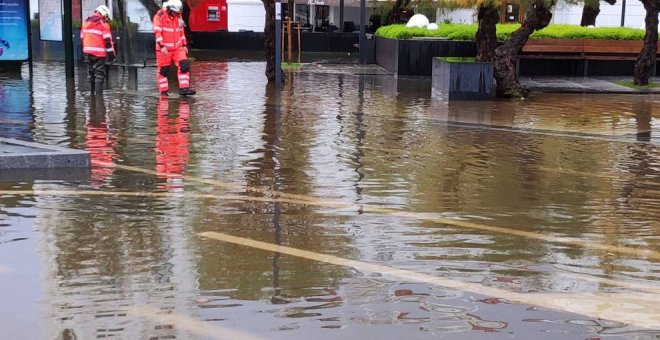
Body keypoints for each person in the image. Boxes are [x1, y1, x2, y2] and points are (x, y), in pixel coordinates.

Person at [152, 0, 196, 96]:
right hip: (164, 49)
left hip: (177, 47)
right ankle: (163, 92)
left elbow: (181, 32)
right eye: (175, 13)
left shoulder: (178, 17)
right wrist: (162, 46)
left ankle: (184, 89)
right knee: (163, 70)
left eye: (178, 13)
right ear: (169, 10)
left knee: (184, 65)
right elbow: (157, 33)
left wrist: (184, 45)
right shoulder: (159, 17)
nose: (177, 15)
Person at [81, 5, 115, 95]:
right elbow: (107, 41)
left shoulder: (85, 22)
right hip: (99, 54)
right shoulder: (103, 24)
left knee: (91, 73)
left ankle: (92, 97)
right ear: (104, 14)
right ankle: (99, 99)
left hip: (87, 53)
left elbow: (82, 38)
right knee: (99, 76)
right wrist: (112, 56)